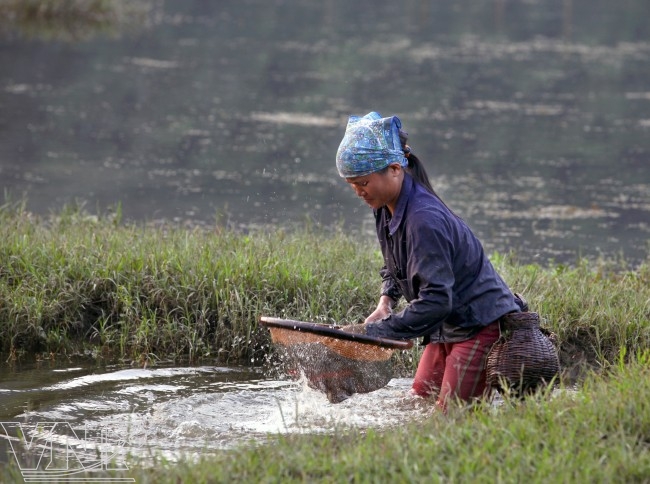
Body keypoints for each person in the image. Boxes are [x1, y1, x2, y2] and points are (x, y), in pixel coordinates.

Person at [335, 111, 525, 412]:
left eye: (363, 182)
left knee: (452, 417)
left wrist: (377, 333)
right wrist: (386, 302)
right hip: (447, 324)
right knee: (416, 403)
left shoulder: (424, 219)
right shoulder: (384, 206)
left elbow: (437, 300)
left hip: (478, 322)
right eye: (352, 184)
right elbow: (395, 264)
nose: (359, 192)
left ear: (395, 169)